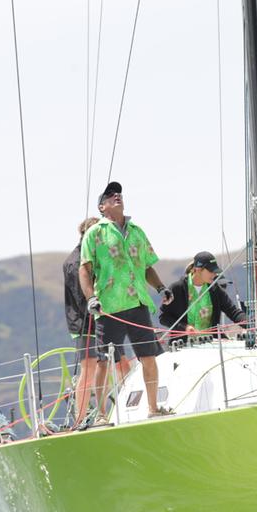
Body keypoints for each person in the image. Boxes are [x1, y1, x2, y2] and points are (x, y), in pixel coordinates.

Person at [80, 182, 173, 417]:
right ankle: (101, 415)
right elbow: (85, 269)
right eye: (110, 195)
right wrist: (91, 298)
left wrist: (161, 288)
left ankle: (153, 408)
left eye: (118, 193)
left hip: (138, 303)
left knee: (149, 357)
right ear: (102, 207)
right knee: (104, 361)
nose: (117, 196)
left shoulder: (137, 231)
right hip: (109, 306)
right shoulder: (95, 233)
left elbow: (147, 266)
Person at [65, 216, 111, 428]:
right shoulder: (76, 261)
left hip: (99, 319)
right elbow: (80, 294)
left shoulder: (88, 257)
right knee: (90, 367)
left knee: (116, 363)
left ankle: (113, 410)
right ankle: (80, 418)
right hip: (85, 322)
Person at [159, 251, 246, 342]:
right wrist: (184, 327)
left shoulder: (215, 289)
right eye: (210, 271)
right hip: (182, 347)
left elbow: (233, 312)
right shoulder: (177, 288)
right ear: (198, 270)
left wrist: (252, 324)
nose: (214, 274)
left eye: (215, 271)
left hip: (211, 343)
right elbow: (163, 317)